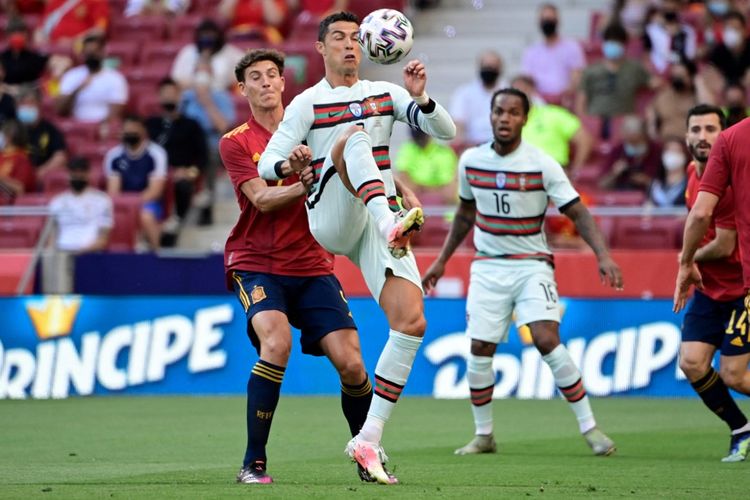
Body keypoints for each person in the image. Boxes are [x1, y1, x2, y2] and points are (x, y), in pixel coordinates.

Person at [258, 11, 456, 484]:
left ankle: (368, 438)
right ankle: (391, 220)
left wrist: (421, 97)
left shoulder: (387, 94)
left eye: (355, 39)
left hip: (376, 218)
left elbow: (445, 132)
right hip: (332, 214)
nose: (350, 45)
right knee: (352, 136)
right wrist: (294, 162)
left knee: (411, 322)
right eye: (340, 39)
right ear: (321, 49)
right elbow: (267, 166)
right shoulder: (307, 104)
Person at [422, 88, 622, 458]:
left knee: (547, 339)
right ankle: (484, 435)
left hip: (532, 265)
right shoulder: (470, 161)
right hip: (487, 266)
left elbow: (576, 211)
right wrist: (442, 260)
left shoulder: (541, 163)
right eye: (499, 111)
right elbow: (466, 213)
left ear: (524, 119)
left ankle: (590, 427)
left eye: (513, 113)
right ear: (491, 114)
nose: (504, 118)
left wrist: (602, 255)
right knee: (480, 348)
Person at [221, 48, 375, 485]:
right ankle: (253, 462)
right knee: (277, 343)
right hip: (257, 264)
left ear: (283, 83)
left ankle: (368, 455)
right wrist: (305, 183)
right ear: (243, 88)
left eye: (273, 74)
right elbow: (262, 199)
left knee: (352, 365)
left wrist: (400, 190)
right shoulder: (236, 142)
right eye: (256, 76)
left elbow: (364, 158)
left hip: (313, 264)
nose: (267, 82)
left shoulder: (314, 123)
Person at [673, 104, 750, 463]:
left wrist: (686, 260)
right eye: (696, 129)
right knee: (691, 362)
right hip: (708, 290)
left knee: (734, 375)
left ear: (724, 135)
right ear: (686, 135)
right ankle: (741, 429)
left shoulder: (730, 180)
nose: (702, 137)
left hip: (739, 290)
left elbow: (725, 244)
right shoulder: (692, 173)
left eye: (710, 129)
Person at [146, 78, 207, 242]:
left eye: (172, 94)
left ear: (180, 96)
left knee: (183, 185)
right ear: (159, 97)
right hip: (155, 176)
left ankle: (176, 222)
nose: (169, 98)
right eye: (165, 94)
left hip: (182, 174)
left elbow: (203, 157)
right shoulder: (150, 125)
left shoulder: (191, 125)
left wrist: (190, 172)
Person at [104, 114, 167, 250]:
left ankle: (157, 252)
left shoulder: (156, 154)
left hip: (148, 202)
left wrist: (134, 205)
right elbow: (113, 191)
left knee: (146, 216)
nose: (130, 134)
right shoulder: (114, 156)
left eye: (134, 131)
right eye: (127, 131)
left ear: (143, 131)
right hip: (123, 202)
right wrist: (125, 205)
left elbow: (155, 191)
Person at [511, 75, 592, 173]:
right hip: (521, 173)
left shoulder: (554, 114)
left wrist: (575, 171)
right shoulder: (508, 122)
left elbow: (585, 140)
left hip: (553, 171)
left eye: (523, 89)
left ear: (532, 90)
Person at [576, 23, 652, 121]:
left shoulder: (635, 68)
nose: (613, 45)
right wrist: (585, 122)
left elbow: (654, 83)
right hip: (596, 119)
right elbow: (580, 102)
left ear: (624, 45)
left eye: (617, 42)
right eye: (610, 41)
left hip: (624, 122)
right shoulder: (591, 70)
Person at [56, 34, 128, 125]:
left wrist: (100, 129)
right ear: (83, 54)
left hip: (101, 127)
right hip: (76, 126)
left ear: (103, 52)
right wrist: (77, 90)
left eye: (95, 52)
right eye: (88, 53)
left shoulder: (115, 78)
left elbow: (115, 112)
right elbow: (59, 109)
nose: (92, 56)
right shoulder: (71, 76)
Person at [520, 3, 586, 97]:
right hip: (538, 103)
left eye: (550, 19)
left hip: (564, 100)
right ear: (539, 22)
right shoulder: (531, 51)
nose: (547, 22)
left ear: (558, 21)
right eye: (544, 20)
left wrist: (565, 95)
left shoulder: (572, 47)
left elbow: (577, 77)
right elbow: (527, 80)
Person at [49, 156, 112, 253]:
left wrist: (82, 251)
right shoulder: (57, 202)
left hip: (90, 254)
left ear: (88, 174)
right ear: (68, 175)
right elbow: (52, 236)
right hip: (61, 254)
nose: (78, 176)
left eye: (81, 172)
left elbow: (103, 238)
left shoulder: (102, 200)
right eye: (74, 173)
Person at [449, 50, 508, 146]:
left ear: (500, 69)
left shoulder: (510, 93)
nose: (489, 70)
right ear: (479, 67)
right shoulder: (464, 93)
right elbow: (458, 124)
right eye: (486, 66)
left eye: (493, 67)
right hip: (473, 146)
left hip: (503, 145)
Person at [16, 85, 67, 182]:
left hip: (39, 179)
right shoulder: (13, 130)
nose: (26, 107)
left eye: (30, 103)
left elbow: (60, 157)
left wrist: (39, 172)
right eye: (22, 104)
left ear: (39, 105)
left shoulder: (50, 130)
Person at [394, 127, 457, 204]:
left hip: (440, 208)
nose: (420, 140)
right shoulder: (407, 149)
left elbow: (448, 193)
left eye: (422, 137)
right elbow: (405, 185)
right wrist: (434, 189)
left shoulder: (445, 153)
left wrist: (421, 189)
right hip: (412, 207)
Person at [599, 115, 662, 191]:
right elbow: (602, 184)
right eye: (630, 142)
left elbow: (669, 183)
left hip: (650, 196)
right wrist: (614, 173)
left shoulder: (656, 150)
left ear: (644, 136)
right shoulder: (617, 151)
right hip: (622, 194)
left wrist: (647, 181)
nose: (634, 146)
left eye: (637, 142)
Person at [646, 61, 699, 141]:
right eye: (675, 76)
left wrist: (698, 82)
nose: (677, 80)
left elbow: (710, 108)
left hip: (690, 143)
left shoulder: (698, 96)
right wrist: (652, 127)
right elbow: (651, 110)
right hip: (667, 141)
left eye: (681, 76)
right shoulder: (664, 95)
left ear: (691, 78)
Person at [0, 18, 49, 88]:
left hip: (30, 94)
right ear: (7, 35)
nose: (17, 35)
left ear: (26, 34)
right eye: (13, 32)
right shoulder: (2, 58)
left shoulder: (36, 58)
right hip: (7, 92)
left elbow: (39, 81)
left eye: (20, 31)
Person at [647, 137, 687, 208]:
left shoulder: (690, 184)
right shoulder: (654, 185)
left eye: (676, 151)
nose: (672, 154)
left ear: (684, 156)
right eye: (669, 150)